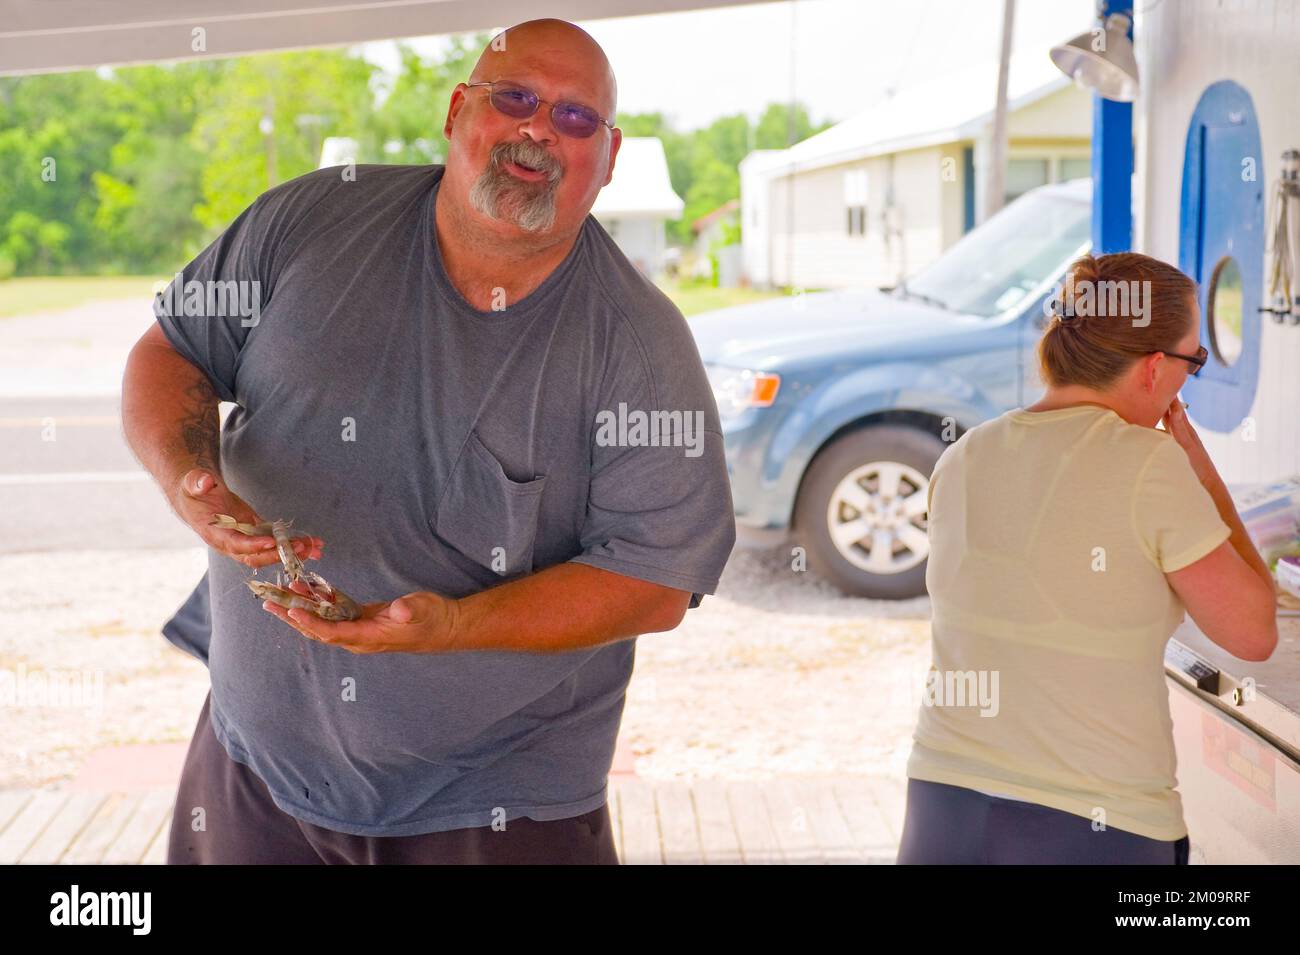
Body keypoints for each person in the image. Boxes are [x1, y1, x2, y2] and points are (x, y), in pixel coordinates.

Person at [121, 18, 735, 864]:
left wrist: (451, 625)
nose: (537, 129)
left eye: (574, 118)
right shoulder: (313, 217)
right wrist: (189, 472)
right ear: (457, 111)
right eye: (514, 97)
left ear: (611, 156)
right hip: (251, 763)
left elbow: (656, 577)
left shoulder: (639, 346)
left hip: (493, 805)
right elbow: (173, 348)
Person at [896, 251, 1278, 864]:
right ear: (1156, 367)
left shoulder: (965, 456)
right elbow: (1253, 631)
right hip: (1093, 823)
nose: (1189, 378)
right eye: (1194, 360)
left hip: (944, 806)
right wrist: (1202, 475)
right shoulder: (1148, 465)